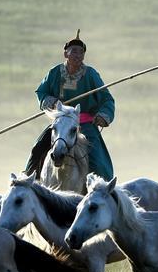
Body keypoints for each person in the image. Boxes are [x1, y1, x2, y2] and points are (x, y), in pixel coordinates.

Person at [24, 31, 115, 181]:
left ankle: (103, 189)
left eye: (81, 52)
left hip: (84, 123)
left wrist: (102, 115)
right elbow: (42, 92)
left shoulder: (91, 74)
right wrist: (50, 101)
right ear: (66, 53)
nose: (77, 55)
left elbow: (107, 99)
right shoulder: (55, 73)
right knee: (38, 148)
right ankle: (29, 182)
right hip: (61, 122)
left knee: (98, 161)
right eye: (74, 51)